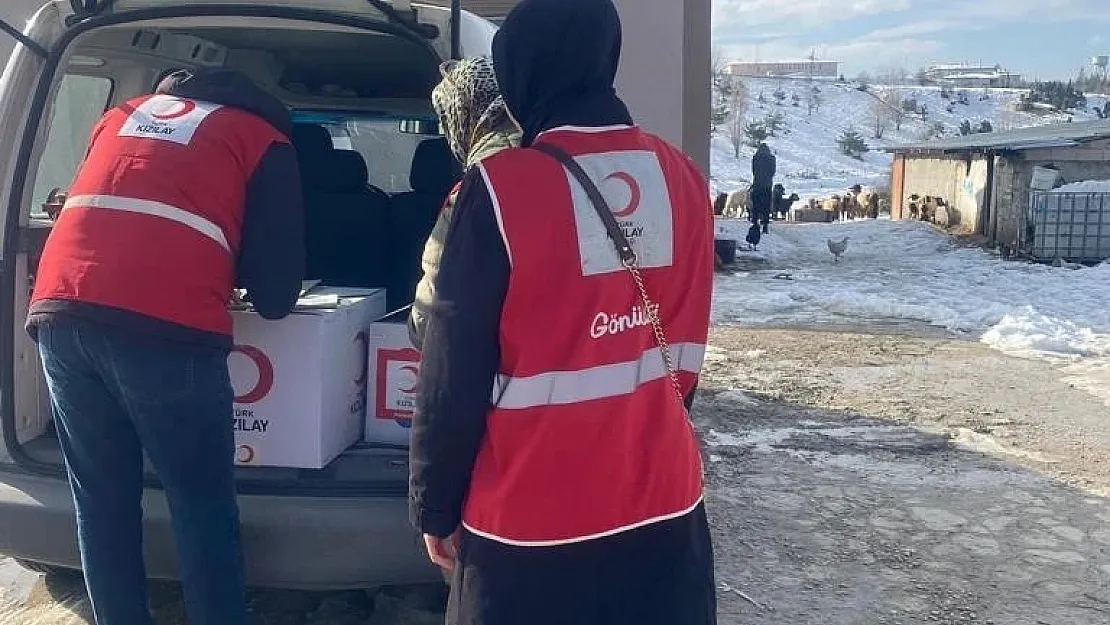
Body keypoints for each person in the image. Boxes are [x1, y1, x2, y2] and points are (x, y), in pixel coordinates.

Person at [408, 0, 716, 623]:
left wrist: (433, 507)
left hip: (527, 527)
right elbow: (682, 350)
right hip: (663, 505)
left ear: (521, 74)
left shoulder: (498, 189)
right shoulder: (681, 177)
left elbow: (451, 378)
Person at [28, 67, 304, 625]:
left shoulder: (121, 114)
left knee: (101, 503)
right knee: (201, 506)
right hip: (164, 326)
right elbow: (277, 292)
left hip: (59, 307)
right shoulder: (262, 138)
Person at [409, 56, 520, 349]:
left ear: (464, 114)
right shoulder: (549, 165)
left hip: (485, 373)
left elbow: (429, 322)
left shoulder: (476, 190)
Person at [750, 142, 776, 234]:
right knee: (766, 206)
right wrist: (767, 179)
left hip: (757, 184)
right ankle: (765, 225)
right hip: (767, 185)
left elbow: (754, 170)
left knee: (756, 205)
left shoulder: (756, 157)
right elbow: (773, 171)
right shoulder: (772, 158)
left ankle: (755, 222)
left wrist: (758, 178)